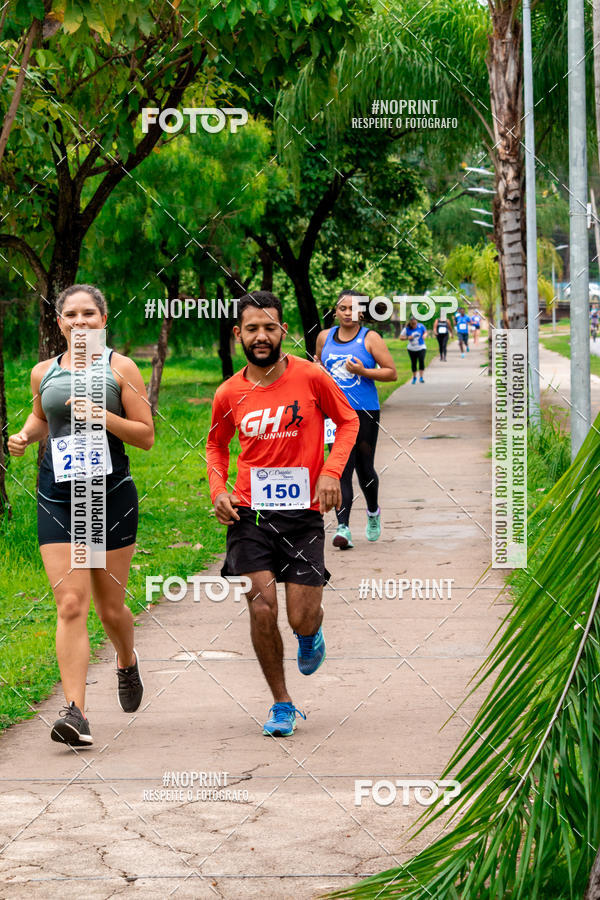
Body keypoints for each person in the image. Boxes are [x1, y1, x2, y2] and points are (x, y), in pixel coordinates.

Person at [206, 291, 359, 738]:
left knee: (299, 617)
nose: (261, 336)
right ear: (239, 334)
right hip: (249, 515)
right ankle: (281, 703)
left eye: (269, 327)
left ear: (283, 331)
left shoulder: (310, 377)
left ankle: (311, 635)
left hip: (303, 515)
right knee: (261, 605)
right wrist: (219, 489)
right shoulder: (229, 391)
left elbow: (348, 421)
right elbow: (216, 445)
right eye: (252, 328)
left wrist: (331, 471)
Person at [8, 285, 154, 747]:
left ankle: (126, 659)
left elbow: (146, 436)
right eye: (70, 314)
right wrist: (24, 436)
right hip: (57, 495)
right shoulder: (43, 373)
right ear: (59, 323)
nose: (80, 321)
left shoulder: (120, 367)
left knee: (111, 609)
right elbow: (42, 418)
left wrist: (101, 416)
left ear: (103, 318)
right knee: (70, 604)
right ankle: (76, 712)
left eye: (89, 313)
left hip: (109, 496)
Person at [315, 290, 397, 550]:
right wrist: (317, 369)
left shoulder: (370, 338)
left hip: (364, 412)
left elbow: (391, 373)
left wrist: (362, 371)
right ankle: (343, 528)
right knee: (341, 469)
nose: (348, 313)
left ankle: (373, 511)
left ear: (362, 311)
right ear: (336, 311)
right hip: (334, 414)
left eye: (354, 309)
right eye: (343, 308)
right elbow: (319, 365)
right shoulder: (324, 337)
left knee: (364, 469)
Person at [401, 316, 427, 383]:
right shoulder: (406, 329)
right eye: (413, 324)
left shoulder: (421, 326)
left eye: (415, 323)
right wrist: (407, 338)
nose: (414, 325)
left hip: (421, 347)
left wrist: (425, 335)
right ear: (411, 323)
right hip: (411, 349)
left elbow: (425, 332)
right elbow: (401, 337)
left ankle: (421, 377)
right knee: (414, 362)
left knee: (421, 361)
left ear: (416, 322)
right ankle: (414, 377)